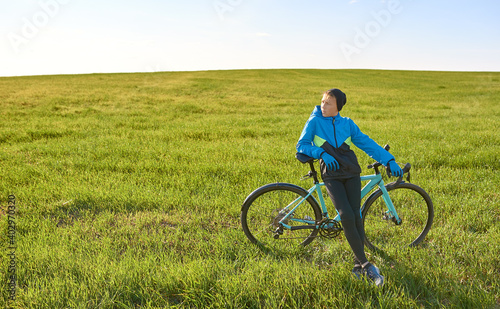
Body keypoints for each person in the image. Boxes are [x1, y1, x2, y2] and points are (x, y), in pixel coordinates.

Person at [296, 88, 403, 287]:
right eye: (322, 101)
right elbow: (301, 145)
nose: (323, 106)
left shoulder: (348, 124)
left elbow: (366, 143)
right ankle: (366, 264)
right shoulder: (315, 122)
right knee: (345, 214)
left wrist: (389, 160)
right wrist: (321, 153)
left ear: (338, 106)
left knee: (356, 214)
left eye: (328, 103)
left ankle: (357, 266)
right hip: (332, 176)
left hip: (352, 173)